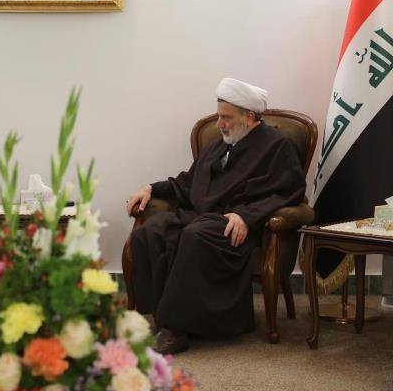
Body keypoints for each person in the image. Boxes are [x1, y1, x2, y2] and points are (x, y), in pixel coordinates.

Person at [127, 78, 306, 354]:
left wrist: (246, 216)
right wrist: (151, 188)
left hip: (233, 225)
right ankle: (160, 317)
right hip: (199, 216)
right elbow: (187, 183)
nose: (219, 124)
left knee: (194, 236)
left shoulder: (277, 145)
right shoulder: (217, 146)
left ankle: (176, 329)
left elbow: (289, 192)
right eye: (219, 116)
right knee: (148, 232)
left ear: (249, 117)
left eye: (226, 117)